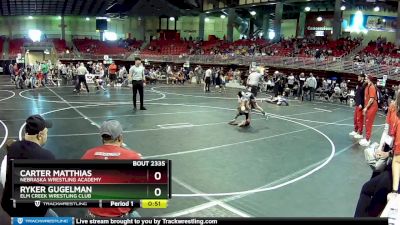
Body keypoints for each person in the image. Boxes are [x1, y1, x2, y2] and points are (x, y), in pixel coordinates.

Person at [81, 120, 142, 218]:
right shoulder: (132, 157)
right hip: (120, 216)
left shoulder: (88, 154)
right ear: (120, 137)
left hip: (93, 215)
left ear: (102, 138)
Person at [1, 115, 57, 217]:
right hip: (32, 212)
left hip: (9, 206)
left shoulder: (13, 148)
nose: (46, 136)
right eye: (46, 133)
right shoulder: (47, 156)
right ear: (40, 135)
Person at [359, 75, 379, 147]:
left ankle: (368, 140)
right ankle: (366, 138)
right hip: (369, 106)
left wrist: (366, 108)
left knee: (368, 123)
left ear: (369, 79)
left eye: (366, 78)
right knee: (366, 122)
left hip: (372, 107)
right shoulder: (367, 86)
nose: (365, 79)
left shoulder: (372, 87)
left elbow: (371, 99)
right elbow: (366, 98)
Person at [350, 74, 367, 139]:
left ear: (362, 78)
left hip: (360, 104)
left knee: (359, 119)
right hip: (357, 103)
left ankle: (360, 133)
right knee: (355, 118)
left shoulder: (364, 85)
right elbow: (358, 94)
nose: (358, 77)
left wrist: (361, 104)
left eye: (359, 77)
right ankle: (355, 130)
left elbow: (363, 96)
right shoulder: (359, 84)